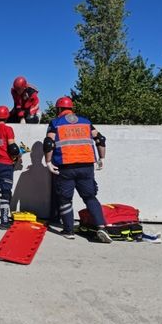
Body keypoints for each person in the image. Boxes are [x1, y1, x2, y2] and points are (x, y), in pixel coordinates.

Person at [44, 96, 110, 242]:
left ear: (59, 109)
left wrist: (48, 162)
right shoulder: (86, 122)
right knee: (90, 197)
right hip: (86, 166)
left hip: (65, 166)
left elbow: (49, 143)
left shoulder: (56, 123)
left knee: (65, 199)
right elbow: (100, 139)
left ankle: (69, 231)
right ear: (71, 108)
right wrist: (102, 158)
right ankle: (101, 227)